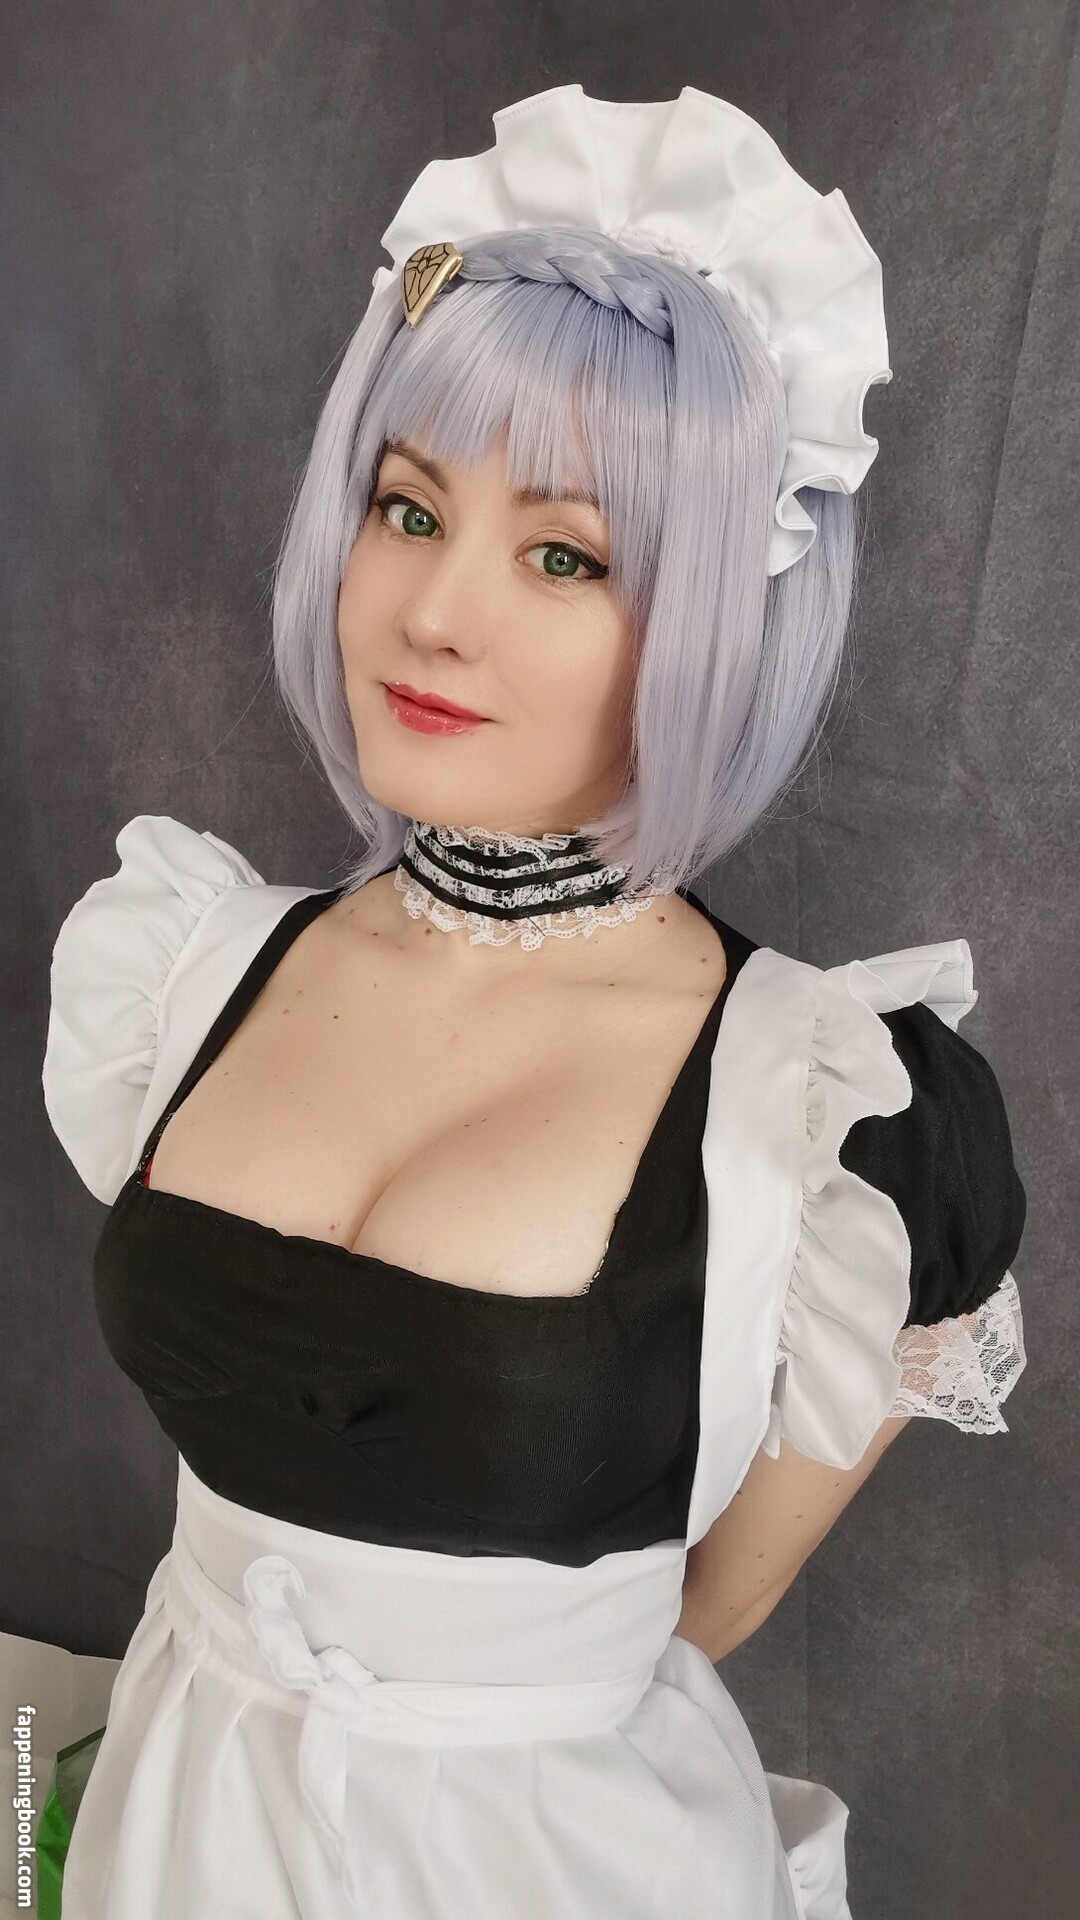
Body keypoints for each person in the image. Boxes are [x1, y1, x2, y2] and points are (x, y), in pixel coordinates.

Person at [35, 84, 1027, 1919]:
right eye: (408, 509)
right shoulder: (187, 963)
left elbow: (708, 1606)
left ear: (718, 614)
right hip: (176, 1831)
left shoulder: (845, 1119)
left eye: (565, 554)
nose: (435, 612)